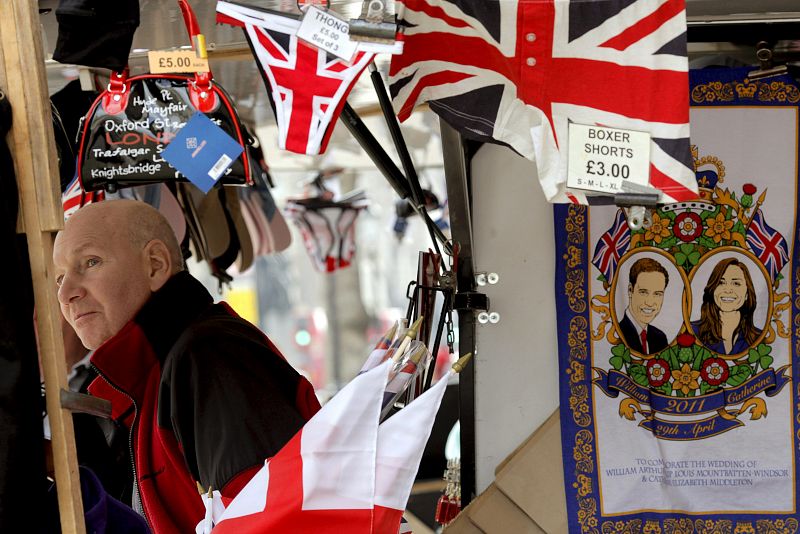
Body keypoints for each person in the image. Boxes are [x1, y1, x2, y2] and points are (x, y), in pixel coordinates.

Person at [53, 199, 320, 533]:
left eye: (90, 262)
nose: (66, 294)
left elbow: (273, 520)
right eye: (59, 278)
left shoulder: (211, 356)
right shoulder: (148, 379)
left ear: (155, 264)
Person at [692, 257, 761, 355]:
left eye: (736, 283)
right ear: (712, 290)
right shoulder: (692, 331)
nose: (728, 290)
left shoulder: (759, 337)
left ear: (747, 294)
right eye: (721, 283)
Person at [619, 257, 669, 354]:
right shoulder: (617, 334)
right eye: (643, 292)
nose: (650, 303)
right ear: (630, 290)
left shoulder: (660, 338)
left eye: (657, 294)